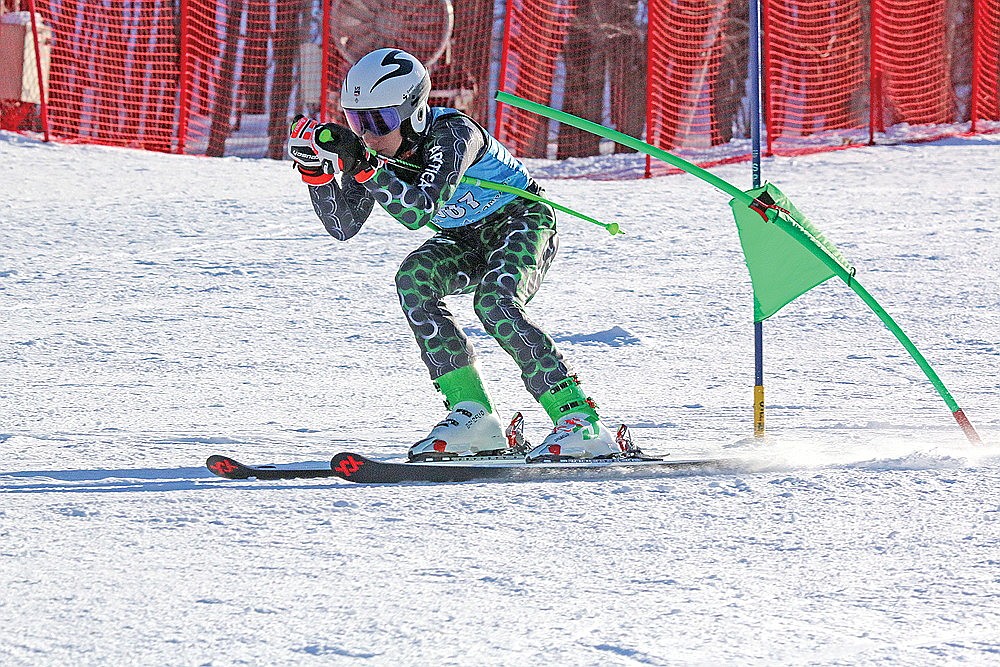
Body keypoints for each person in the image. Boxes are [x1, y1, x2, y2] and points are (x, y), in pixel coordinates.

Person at [287, 48, 621, 462]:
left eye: (378, 121)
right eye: (358, 122)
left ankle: (580, 420)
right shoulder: (373, 151)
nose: (368, 135)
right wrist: (315, 173)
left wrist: (362, 167)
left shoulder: (453, 133)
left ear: (412, 111)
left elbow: (418, 210)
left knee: (495, 301)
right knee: (413, 279)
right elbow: (344, 225)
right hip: (464, 235)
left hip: (521, 220)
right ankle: (475, 416)